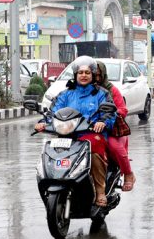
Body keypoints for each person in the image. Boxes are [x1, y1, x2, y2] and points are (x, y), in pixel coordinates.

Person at [35, 56, 116, 206]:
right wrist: (43, 123)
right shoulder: (65, 94)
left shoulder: (101, 94)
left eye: (87, 72)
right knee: (51, 150)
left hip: (91, 134)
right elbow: (53, 112)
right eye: (80, 72)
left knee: (95, 147)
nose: (83, 75)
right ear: (75, 75)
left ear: (92, 75)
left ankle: (100, 191)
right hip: (67, 135)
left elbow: (110, 112)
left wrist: (102, 122)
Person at [95, 60, 136, 192]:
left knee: (115, 148)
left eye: (97, 74)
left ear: (103, 74)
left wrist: (109, 116)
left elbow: (122, 109)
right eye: (91, 74)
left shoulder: (111, 90)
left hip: (110, 129)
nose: (94, 78)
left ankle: (128, 173)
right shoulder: (80, 90)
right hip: (86, 128)